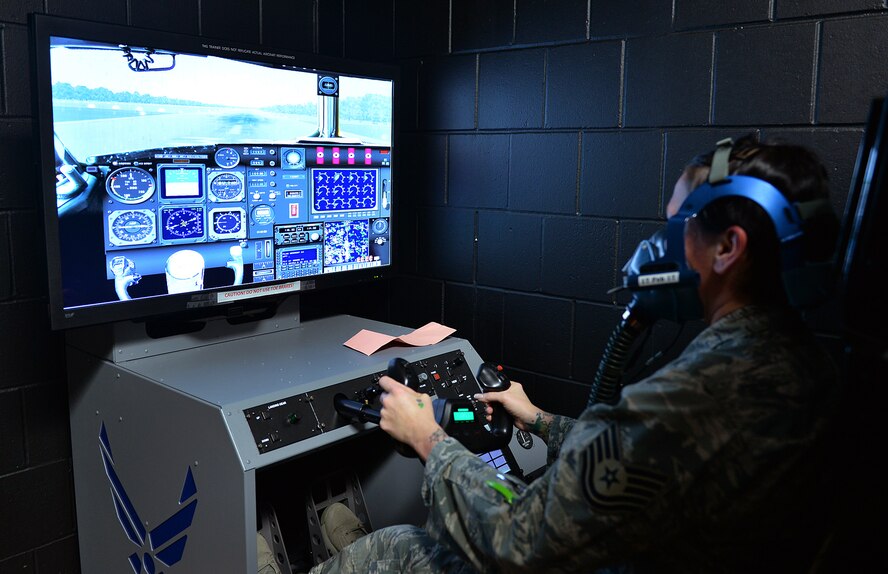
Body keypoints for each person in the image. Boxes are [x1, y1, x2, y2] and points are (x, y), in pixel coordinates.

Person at [309, 136, 841, 573]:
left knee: (398, 546)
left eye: (676, 225)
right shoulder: (790, 360)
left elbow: (519, 542)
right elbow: (633, 462)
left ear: (728, 247)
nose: (660, 244)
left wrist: (428, 437)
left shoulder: (703, 389)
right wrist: (538, 418)